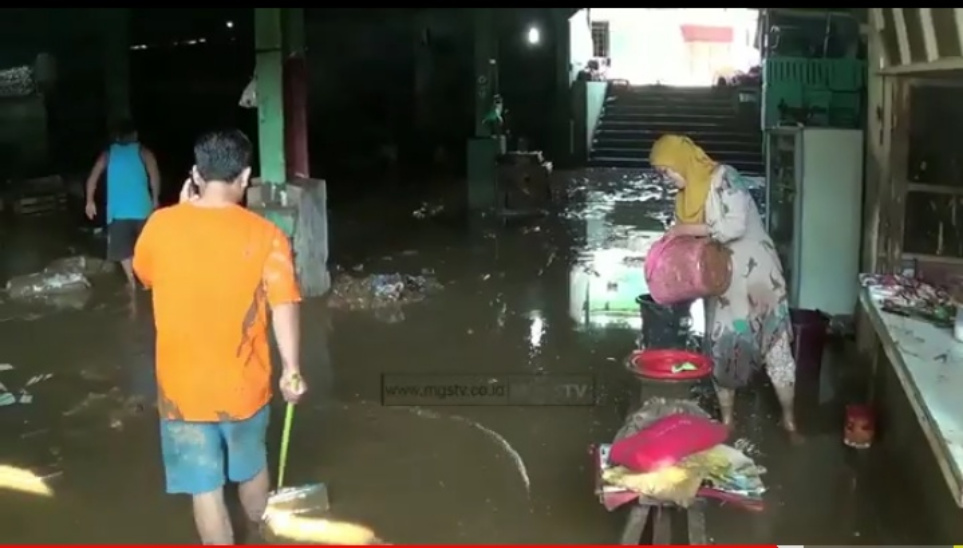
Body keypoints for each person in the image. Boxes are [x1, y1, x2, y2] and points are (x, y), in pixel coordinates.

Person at [132, 129, 307, 544]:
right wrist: (292, 370)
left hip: (181, 392)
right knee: (250, 467)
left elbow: (145, 275)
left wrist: (179, 212)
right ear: (244, 177)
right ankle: (259, 533)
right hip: (244, 386)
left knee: (204, 489)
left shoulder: (161, 225)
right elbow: (284, 304)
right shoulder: (266, 235)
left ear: (195, 173)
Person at [649, 134, 799, 441]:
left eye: (667, 171)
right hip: (720, 283)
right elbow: (689, 249)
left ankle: (789, 420)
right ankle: (728, 420)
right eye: (660, 174)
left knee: (775, 345)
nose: (665, 179)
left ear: (682, 161)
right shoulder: (685, 198)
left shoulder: (725, 177)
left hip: (757, 277)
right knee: (722, 345)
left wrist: (683, 230)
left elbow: (734, 226)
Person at [84, 120, 161, 290]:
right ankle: (147, 281)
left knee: (123, 250)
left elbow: (92, 178)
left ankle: (132, 281)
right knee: (146, 247)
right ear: (135, 135)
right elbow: (154, 175)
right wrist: (155, 199)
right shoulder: (143, 151)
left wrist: (90, 201)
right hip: (142, 208)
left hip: (118, 212)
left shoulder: (109, 153)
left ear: (117, 136)